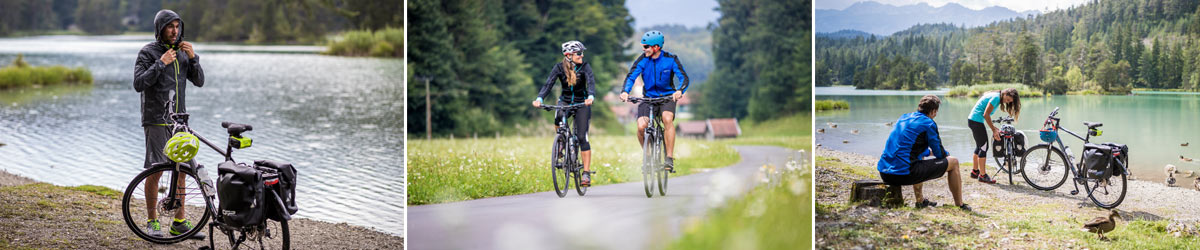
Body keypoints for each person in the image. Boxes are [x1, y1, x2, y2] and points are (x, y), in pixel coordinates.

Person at [132, 9, 205, 238]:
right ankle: (152, 223)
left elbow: (199, 81)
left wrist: (193, 58)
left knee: (182, 171)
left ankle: (179, 223)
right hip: (156, 120)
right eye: (170, 27)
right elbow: (139, 83)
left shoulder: (183, 53)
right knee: (155, 172)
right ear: (160, 29)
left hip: (179, 121)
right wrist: (161, 63)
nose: (175, 31)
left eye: (177, 26)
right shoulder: (148, 52)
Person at [877, 95, 969, 211]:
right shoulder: (929, 123)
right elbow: (939, 153)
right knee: (954, 162)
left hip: (885, 173)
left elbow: (906, 145)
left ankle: (920, 201)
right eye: (936, 112)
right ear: (933, 111)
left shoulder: (904, 118)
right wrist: (947, 155)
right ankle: (960, 205)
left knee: (920, 157)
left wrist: (926, 152)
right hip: (903, 175)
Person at [619, 30, 689, 172]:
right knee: (640, 126)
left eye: (646, 47)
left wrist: (679, 90)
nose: (643, 49)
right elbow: (631, 76)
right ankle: (648, 156)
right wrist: (625, 91)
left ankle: (669, 158)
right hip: (648, 98)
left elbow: (684, 78)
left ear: (656, 47)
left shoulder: (671, 59)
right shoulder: (642, 59)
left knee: (667, 118)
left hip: (667, 97)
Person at [534, 40, 597, 186]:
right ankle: (562, 140)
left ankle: (586, 173)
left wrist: (591, 96)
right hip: (565, 101)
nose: (582, 55)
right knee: (558, 120)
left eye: (582, 53)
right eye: (579, 53)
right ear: (568, 55)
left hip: (582, 103)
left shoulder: (585, 67)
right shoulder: (559, 68)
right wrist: (539, 98)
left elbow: (591, 82)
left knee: (582, 137)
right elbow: (548, 84)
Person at [967, 88, 1021, 184]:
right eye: (1007, 99)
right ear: (1005, 93)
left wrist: (994, 128)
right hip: (976, 121)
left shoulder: (996, 95)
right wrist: (993, 129)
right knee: (984, 147)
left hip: (973, 120)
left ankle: (975, 172)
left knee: (979, 146)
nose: (1006, 102)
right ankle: (982, 176)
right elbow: (986, 114)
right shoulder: (996, 98)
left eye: (1009, 102)